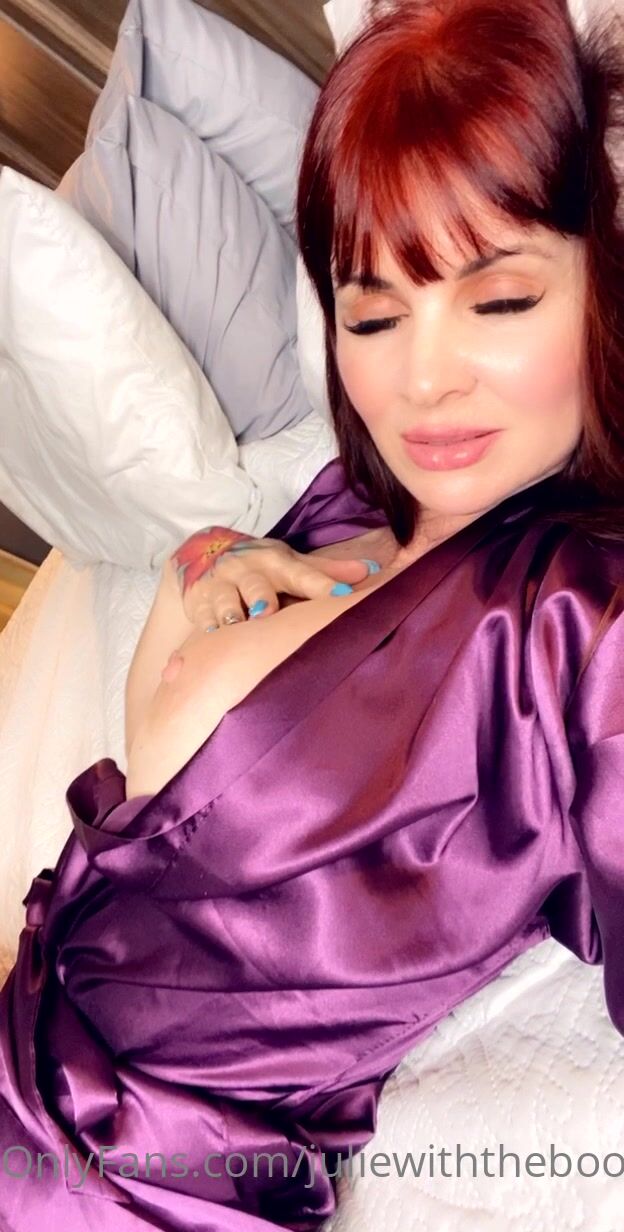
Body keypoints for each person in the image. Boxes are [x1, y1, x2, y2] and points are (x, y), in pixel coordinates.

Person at [1, 0, 623, 1228]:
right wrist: (211, 561)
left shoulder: (578, 626)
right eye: (373, 314)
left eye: (499, 300)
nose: (422, 379)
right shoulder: (356, 500)